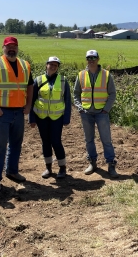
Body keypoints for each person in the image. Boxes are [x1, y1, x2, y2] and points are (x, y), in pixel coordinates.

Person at [0, 36, 33, 191]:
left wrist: (28, 105)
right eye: (8, 46)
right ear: (3, 48)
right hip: (1, 113)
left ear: (17, 48)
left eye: (14, 47)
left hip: (19, 112)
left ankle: (12, 171)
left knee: (16, 145)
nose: (12, 49)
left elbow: (30, 86)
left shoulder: (25, 65)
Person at [73, 49, 119, 178]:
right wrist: (80, 107)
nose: (91, 60)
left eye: (93, 58)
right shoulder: (81, 75)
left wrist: (106, 109)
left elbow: (112, 93)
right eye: (89, 58)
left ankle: (110, 164)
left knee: (106, 140)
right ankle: (92, 163)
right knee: (89, 140)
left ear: (98, 59)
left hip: (101, 113)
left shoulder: (106, 75)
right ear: (86, 60)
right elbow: (76, 93)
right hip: (86, 112)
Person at [29, 56, 71, 179]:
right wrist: (31, 119)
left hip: (57, 117)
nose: (53, 67)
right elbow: (32, 100)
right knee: (45, 142)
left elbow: (67, 101)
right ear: (46, 65)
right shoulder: (38, 80)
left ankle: (62, 168)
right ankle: (48, 168)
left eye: (55, 65)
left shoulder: (63, 81)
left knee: (56, 141)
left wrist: (66, 118)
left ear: (57, 67)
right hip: (41, 117)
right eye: (51, 64)